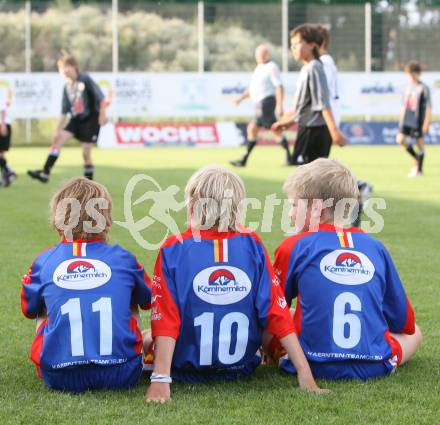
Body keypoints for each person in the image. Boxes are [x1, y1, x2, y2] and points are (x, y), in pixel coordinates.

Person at [145, 165, 325, 403]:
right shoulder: (252, 244)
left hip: (187, 370)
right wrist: (304, 371)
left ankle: (154, 367)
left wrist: (160, 379)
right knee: (282, 314)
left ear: (193, 205)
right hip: (240, 367)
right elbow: (276, 311)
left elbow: (166, 318)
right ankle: (275, 356)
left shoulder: (173, 248)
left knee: (146, 336)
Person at [272, 158, 422, 381]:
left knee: (281, 315)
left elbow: (271, 310)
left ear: (317, 210)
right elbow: (404, 323)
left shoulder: (293, 246)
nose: (291, 214)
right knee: (416, 333)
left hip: (307, 363)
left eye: (294, 205)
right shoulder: (376, 247)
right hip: (373, 365)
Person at [20, 177, 152, 392]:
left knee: (42, 307)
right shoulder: (124, 258)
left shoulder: (43, 262)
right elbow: (148, 301)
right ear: (105, 217)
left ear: (59, 218)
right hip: (123, 374)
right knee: (130, 297)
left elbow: (28, 310)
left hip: (58, 377)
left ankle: (62, 356)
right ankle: (120, 353)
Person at [315, 23, 372, 226]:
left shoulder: (323, 63)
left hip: (324, 121)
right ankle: (357, 187)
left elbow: (324, 97)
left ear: (316, 43)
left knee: (315, 170)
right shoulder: (323, 63)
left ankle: (357, 187)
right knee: (316, 169)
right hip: (321, 121)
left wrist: (332, 128)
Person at [272, 24, 346, 166]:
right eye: (291, 44)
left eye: (297, 43)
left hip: (315, 130)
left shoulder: (315, 68)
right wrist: (287, 123)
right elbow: (305, 106)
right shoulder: (308, 68)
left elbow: (323, 103)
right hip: (307, 128)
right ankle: (354, 186)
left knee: (309, 179)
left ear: (312, 45)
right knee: (310, 179)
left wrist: (334, 131)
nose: (293, 47)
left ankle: (354, 186)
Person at [28, 53, 107, 183]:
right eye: (61, 68)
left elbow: (101, 98)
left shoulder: (85, 79)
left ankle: (90, 185)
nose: (63, 70)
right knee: (57, 141)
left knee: (86, 154)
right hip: (76, 120)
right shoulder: (67, 87)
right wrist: (56, 130)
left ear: (74, 67)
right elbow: (64, 111)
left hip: (91, 119)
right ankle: (45, 172)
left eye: (66, 67)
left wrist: (102, 114)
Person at [230, 44, 291, 167]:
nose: (260, 57)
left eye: (262, 54)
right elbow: (252, 89)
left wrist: (280, 105)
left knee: (254, 128)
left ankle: (244, 159)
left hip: (266, 102)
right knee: (272, 129)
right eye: (258, 55)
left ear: (267, 54)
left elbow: (279, 86)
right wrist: (240, 98)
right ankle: (290, 157)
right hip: (260, 103)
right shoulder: (259, 68)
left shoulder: (271, 67)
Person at [396, 61, 432, 177]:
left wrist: (426, 122)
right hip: (406, 119)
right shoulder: (407, 87)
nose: (410, 76)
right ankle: (417, 157)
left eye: (411, 74)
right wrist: (401, 119)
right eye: (408, 74)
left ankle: (418, 170)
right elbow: (403, 105)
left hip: (417, 121)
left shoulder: (423, 88)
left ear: (417, 74)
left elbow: (428, 106)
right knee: (400, 140)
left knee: (420, 144)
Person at [0, 86, 16, 187]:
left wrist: (3, 124)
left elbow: (2, 108)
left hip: (2, 125)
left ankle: (8, 171)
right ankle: (6, 175)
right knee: (1, 154)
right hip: (3, 124)